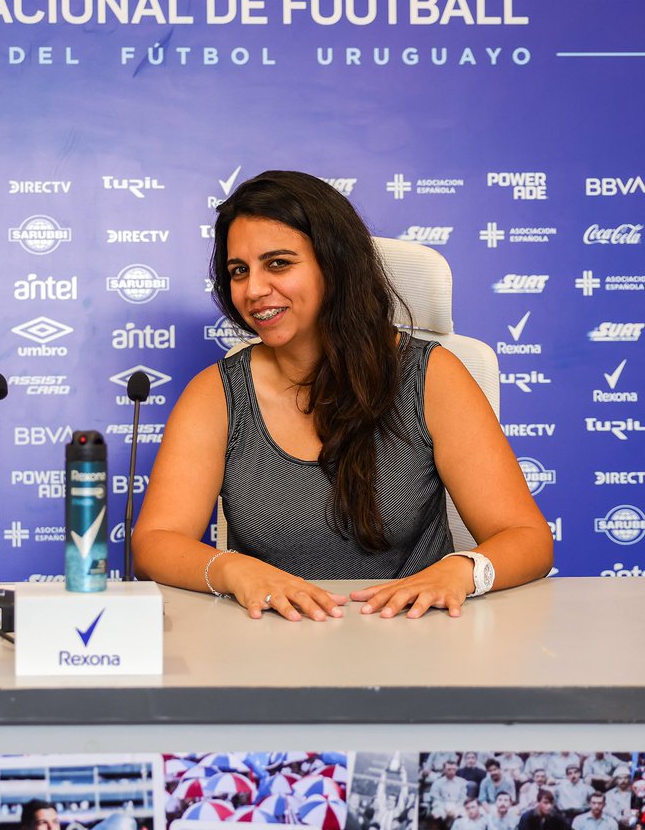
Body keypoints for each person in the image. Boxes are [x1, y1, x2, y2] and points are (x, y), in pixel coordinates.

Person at [132, 171, 553, 620]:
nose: (253, 290)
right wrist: (232, 570)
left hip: (414, 635)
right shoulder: (216, 393)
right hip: (272, 641)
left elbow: (528, 538)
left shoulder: (432, 376)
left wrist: (461, 571)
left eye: (278, 264)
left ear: (335, 264)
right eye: (239, 271)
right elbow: (155, 542)